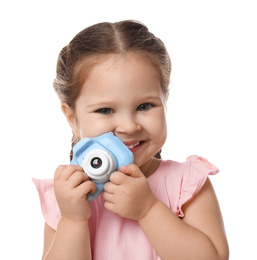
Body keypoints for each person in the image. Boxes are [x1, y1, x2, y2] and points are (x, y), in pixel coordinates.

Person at [33, 20, 229, 260]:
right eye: (105, 110)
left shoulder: (185, 184)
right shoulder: (67, 195)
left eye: (145, 106)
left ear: (165, 102)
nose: (128, 126)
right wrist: (73, 220)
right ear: (72, 118)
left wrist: (148, 210)